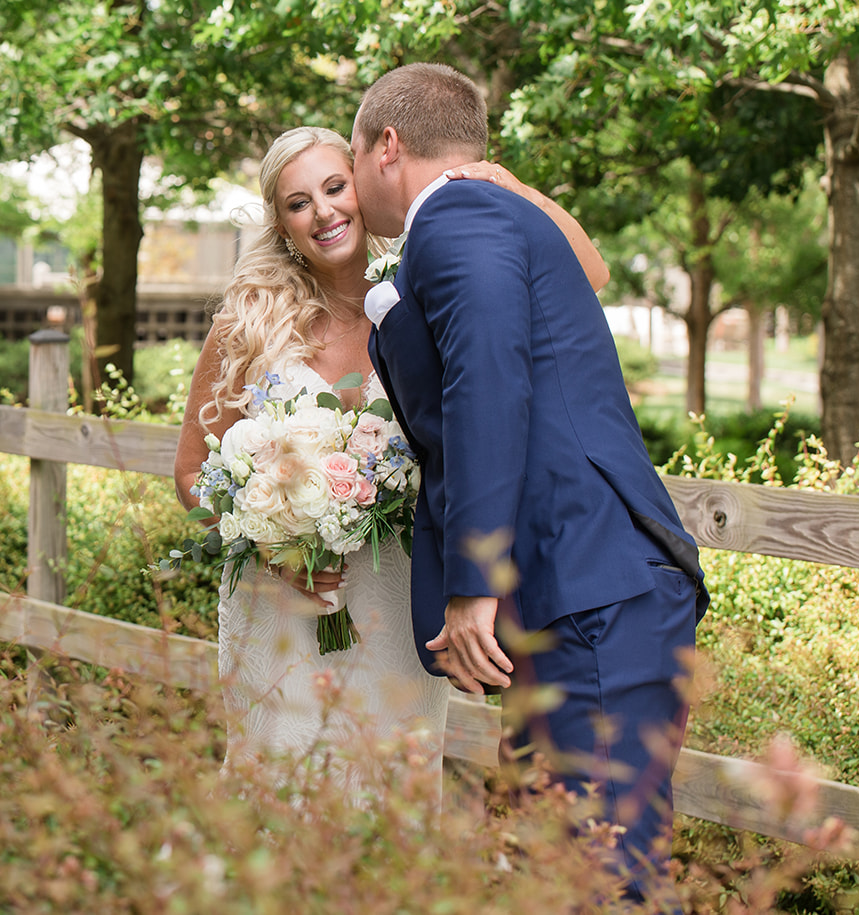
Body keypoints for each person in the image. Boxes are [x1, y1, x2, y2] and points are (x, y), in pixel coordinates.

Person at [351, 63, 709, 906]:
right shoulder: (488, 218)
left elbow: (487, 384)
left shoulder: (460, 215)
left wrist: (475, 584)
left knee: (606, 879)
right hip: (577, 603)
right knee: (562, 872)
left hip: (591, 592)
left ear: (387, 146)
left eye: (354, 150)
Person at [173, 125, 608, 802]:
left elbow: (590, 273)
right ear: (282, 224)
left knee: (386, 799)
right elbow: (191, 473)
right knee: (277, 793)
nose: (322, 210)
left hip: (393, 601)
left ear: (362, 187)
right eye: (297, 202)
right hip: (277, 608)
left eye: (335, 186)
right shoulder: (249, 319)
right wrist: (274, 543)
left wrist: (512, 187)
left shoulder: (420, 294)